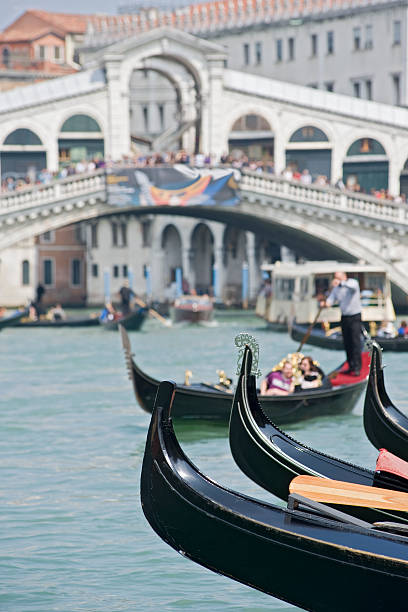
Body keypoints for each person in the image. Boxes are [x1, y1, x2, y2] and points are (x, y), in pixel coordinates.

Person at [320, 271, 362, 376]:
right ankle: (351, 365)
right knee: (347, 342)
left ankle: (357, 367)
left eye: (338, 277)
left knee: (355, 341)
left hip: (355, 316)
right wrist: (324, 304)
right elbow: (330, 301)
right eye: (335, 278)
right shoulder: (336, 289)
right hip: (344, 317)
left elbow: (352, 287)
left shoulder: (352, 283)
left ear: (344, 277)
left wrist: (340, 283)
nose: (336, 279)